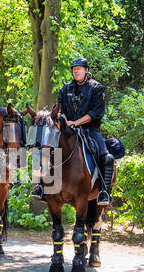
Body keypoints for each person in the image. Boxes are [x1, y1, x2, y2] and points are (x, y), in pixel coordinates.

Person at [32, 57, 114, 206]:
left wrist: (76, 123)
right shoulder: (65, 88)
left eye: (79, 69)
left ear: (86, 70)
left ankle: (103, 191)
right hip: (66, 129)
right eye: (74, 69)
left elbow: (96, 112)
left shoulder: (96, 88)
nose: (76, 71)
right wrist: (65, 121)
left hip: (90, 129)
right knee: (44, 148)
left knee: (106, 156)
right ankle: (41, 187)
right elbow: (60, 110)